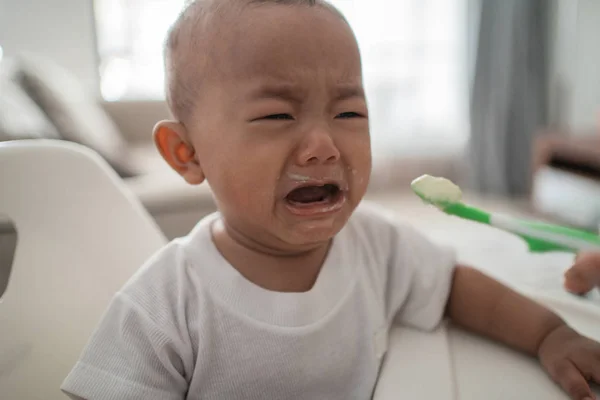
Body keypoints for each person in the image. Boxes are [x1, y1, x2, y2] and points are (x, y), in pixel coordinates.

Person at [61, 1, 600, 399]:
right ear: (187, 153)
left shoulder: (378, 245)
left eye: (349, 114)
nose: (324, 146)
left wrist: (548, 334)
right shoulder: (163, 305)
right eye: (277, 115)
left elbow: (454, 285)